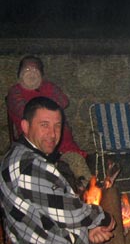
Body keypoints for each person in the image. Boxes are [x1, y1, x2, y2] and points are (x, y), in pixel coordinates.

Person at [0, 97, 123, 244]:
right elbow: (72, 213)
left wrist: (86, 233)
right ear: (25, 127)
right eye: (44, 125)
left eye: (57, 126)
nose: (52, 134)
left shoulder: (19, 156)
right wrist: (105, 219)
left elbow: (46, 217)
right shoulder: (28, 166)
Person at [7, 55, 92, 187]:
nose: (31, 73)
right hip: (36, 147)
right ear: (20, 73)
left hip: (64, 145)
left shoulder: (48, 87)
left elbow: (63, 101)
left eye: (35, 70)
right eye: (27, 69)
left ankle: (87, 195)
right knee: (50, 179)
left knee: (80, 167)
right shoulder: (15, 92)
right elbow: (26, 111)